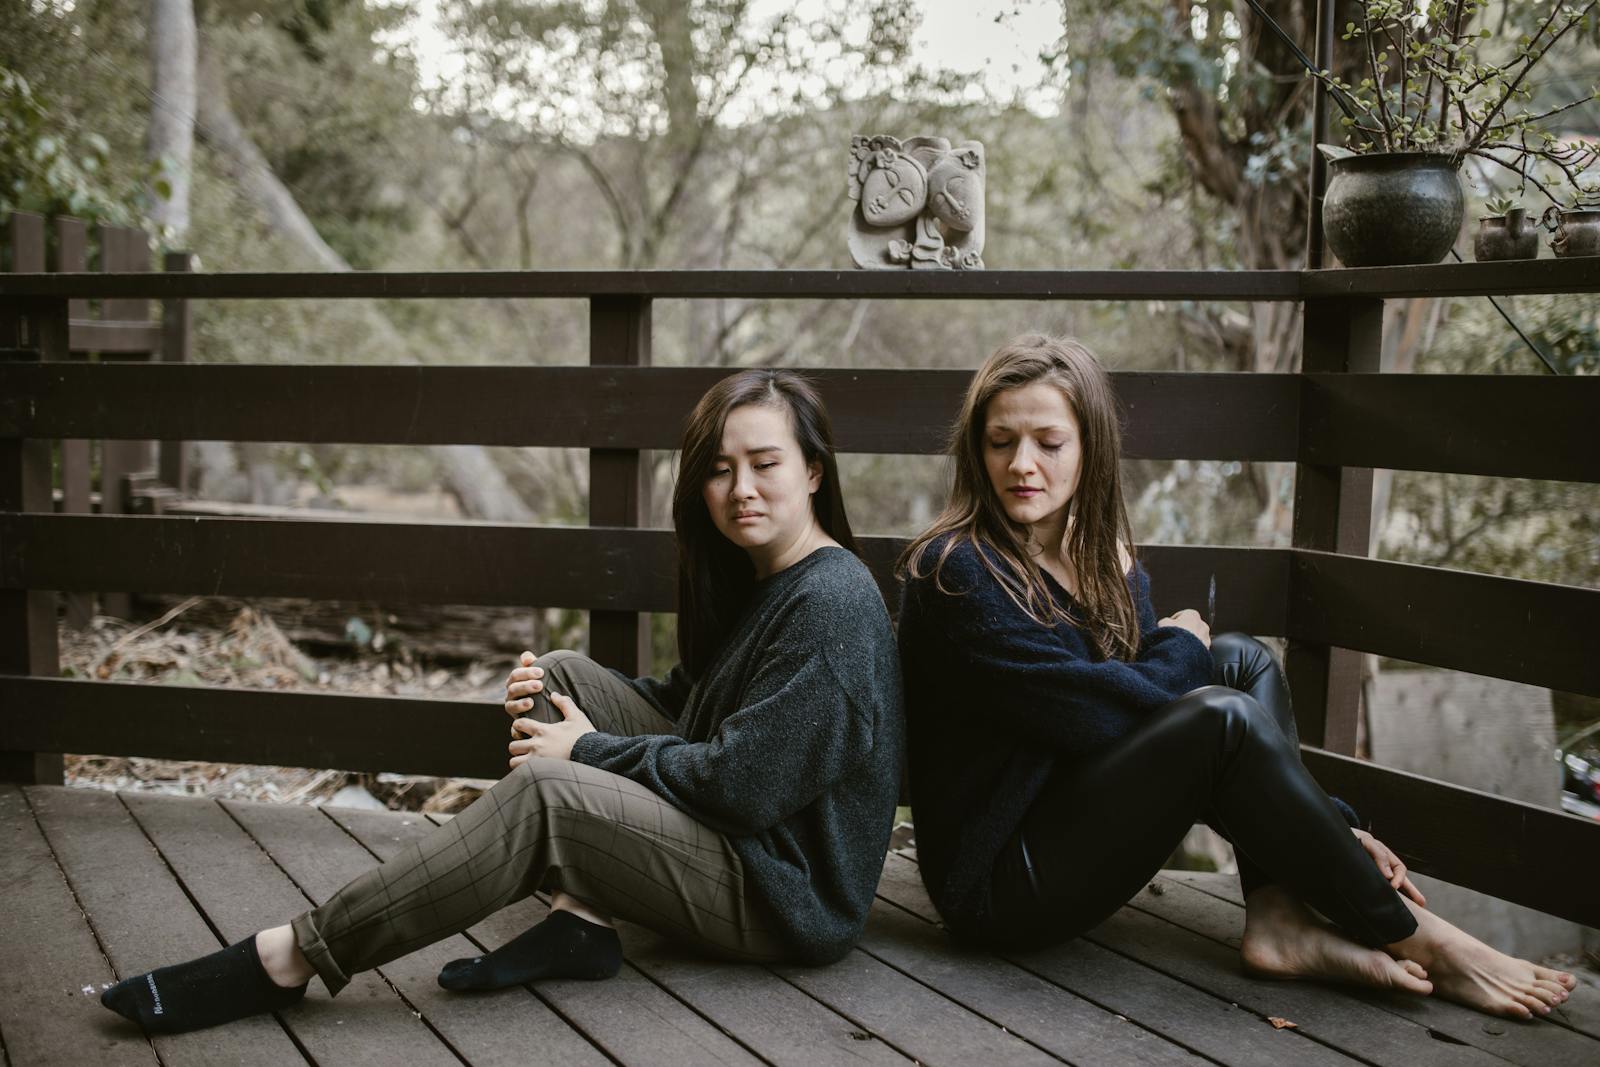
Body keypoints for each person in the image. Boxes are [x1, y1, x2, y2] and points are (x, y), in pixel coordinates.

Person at [100, 369, 904, 1035]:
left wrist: (586, 753)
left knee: (551, 794)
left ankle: (292, 955)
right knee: (560, 675)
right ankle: (580, 919)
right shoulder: (765, 579)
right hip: (738, 835)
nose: (739, 488)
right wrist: (580, 719)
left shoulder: (831, 605)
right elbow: (694, 705)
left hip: (781, 893)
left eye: (765, 463)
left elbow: (744, 784)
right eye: (720, 468)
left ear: (814, 471)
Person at [895, 333, 1576, 1020]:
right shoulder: (958, 571)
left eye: (1049, 441)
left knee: (1242, 659)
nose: (1022, 464)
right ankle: (1425, 939)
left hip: (1071, 820)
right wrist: (1181, 648)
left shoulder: (1103, 561)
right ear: (975, 450)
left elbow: (1145, 720)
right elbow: (1101, 715)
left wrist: (1332, 825)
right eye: (1000, 440)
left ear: (1090, 448)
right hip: (1000, 882)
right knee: (1215, 708)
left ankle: (1277, 914)